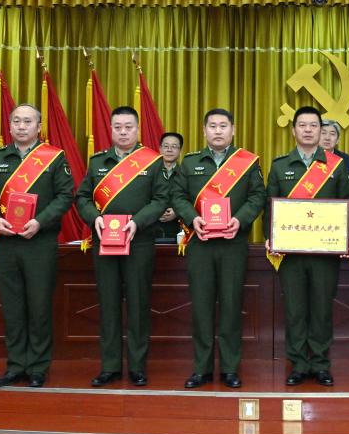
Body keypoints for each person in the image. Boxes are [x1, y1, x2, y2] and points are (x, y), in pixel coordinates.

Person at [0, 104, 74, 389]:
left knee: (40, 307)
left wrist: (40, 222)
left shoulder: (53, 157)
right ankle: (16, 365)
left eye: (28, 121)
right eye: (17, 121)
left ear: (38, 126)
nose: (21, 126)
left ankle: (38, 367)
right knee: (12, 307)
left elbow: (65, 195)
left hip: (40, 243)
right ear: (9, 126)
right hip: (6, 243)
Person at [171, 108, 266, 389]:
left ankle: (229, 368)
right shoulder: (190, 163)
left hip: (233, 243)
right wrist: (192, 218)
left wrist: (240, 220)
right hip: (200, 244)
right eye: (212, 126)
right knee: (201, 307)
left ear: (233, 130)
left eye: (223, 126)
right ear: (204, 131)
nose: (218, 131)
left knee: (231, 305)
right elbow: (177, 195)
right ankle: (201, 368)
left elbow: (257, 196)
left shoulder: (247, 162)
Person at [76, 106, 169, 388]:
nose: (123, 132)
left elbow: (161, 199)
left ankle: (137, 366)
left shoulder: (152, 162)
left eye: (129, 127)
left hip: (139, 243)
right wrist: (95, 219)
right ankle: (110, 366)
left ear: (138, 129)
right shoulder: (97, 162)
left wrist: (137, 222)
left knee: (139, 305)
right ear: (111, 129)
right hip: (105, 242)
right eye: (118, 127)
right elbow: (82, 198)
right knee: (108, 305)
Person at [265, 106, 349, 387]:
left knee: (322, 308)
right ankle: (299, 365)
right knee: (295, 309)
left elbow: (347, 203)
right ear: (293, 130)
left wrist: (348, 236)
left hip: (325, 251)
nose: (307, 130)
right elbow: (270, 205)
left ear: (320, 130)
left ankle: (320, 364)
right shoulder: (280, 165)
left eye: (313, 125)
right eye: (302, 125)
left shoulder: (336, 165)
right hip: (290, 251)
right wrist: (270, 236)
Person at [155, 132, 184, 241]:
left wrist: (177, 211)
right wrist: (155, 211)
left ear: (180, 151)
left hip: (178, 228)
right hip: (151, 227)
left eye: (174, 147)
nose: (169, 150)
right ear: (160, 149)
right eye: (166, 146)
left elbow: (192, 198)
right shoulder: (150, 172)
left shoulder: (186, 173)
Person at [320, 119, 349, 188]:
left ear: (337, 140)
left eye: (332, 134)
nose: (327, 138)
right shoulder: (306, 158)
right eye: (323, 133)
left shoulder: (348, 161)